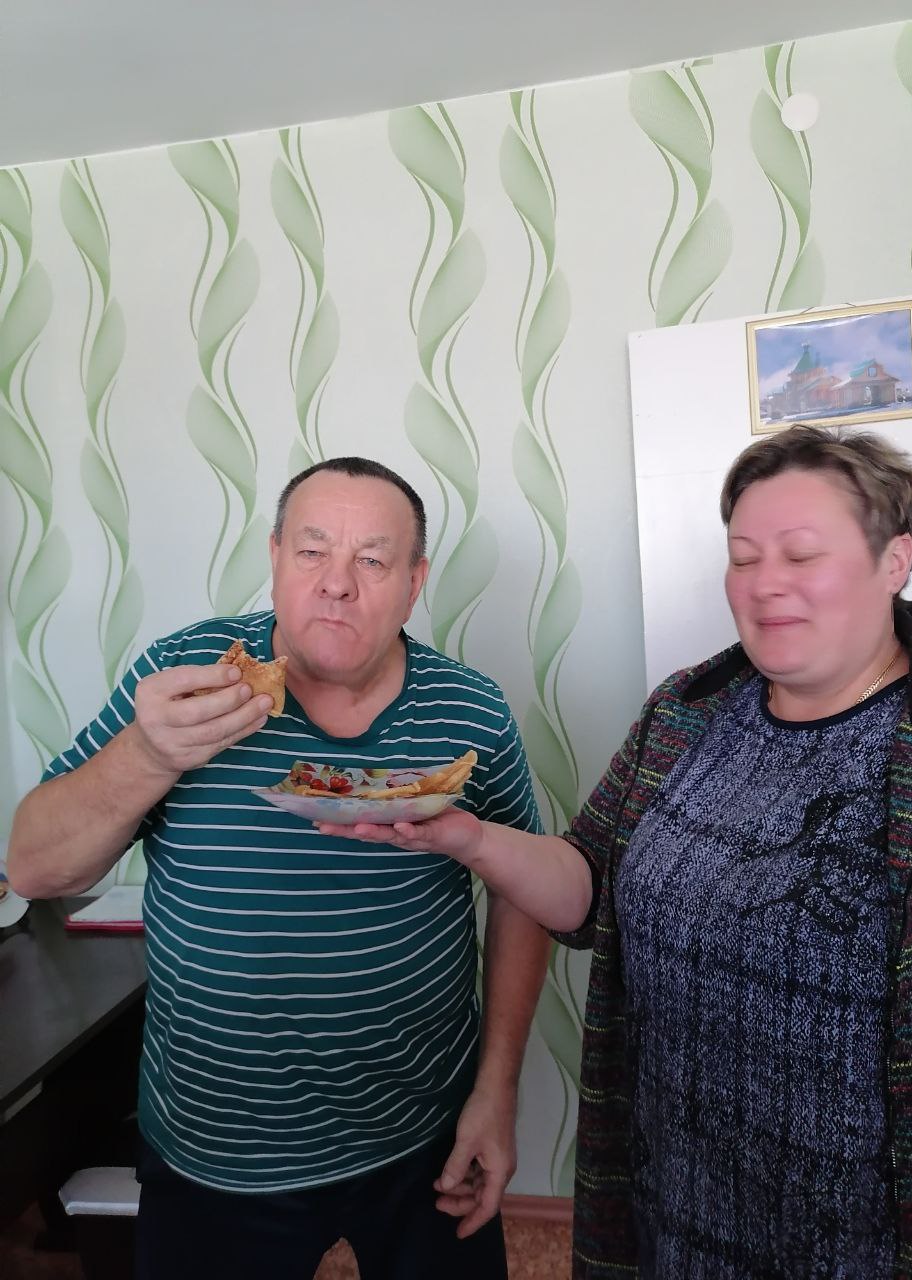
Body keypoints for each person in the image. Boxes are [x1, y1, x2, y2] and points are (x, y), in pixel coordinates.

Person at [321, 426, 912, 1278]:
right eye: (743, 558)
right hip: (676, 1199)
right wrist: (464, 836)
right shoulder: (688, 710)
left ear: (895, 560)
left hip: (859, 1238)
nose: (765, 583)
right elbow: (585, 887)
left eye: (802, 555)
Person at [8, 456, 550, 1280]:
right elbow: (33, 869)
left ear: (414, 583)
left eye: (373, 560)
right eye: (311, 550)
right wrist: (147, 754)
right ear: (273, 558)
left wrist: (496, 1090)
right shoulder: (188, 683)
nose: (336, 583)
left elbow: (525, 892)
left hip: (424, 1132)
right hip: (213, 1151)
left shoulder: (469, 708)